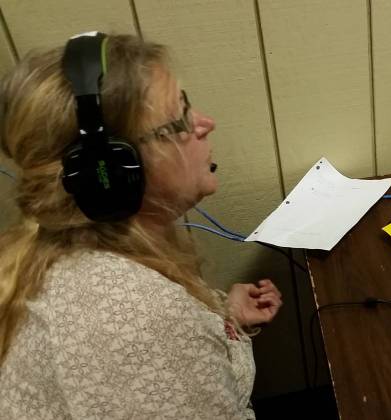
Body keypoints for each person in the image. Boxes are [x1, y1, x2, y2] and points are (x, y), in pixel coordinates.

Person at [0, 33, 281, 419]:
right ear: (113, 170)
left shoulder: (80, 252)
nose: (205, 124)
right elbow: (142, 342)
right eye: (179, 119)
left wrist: (223, 317)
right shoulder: (136, 324)